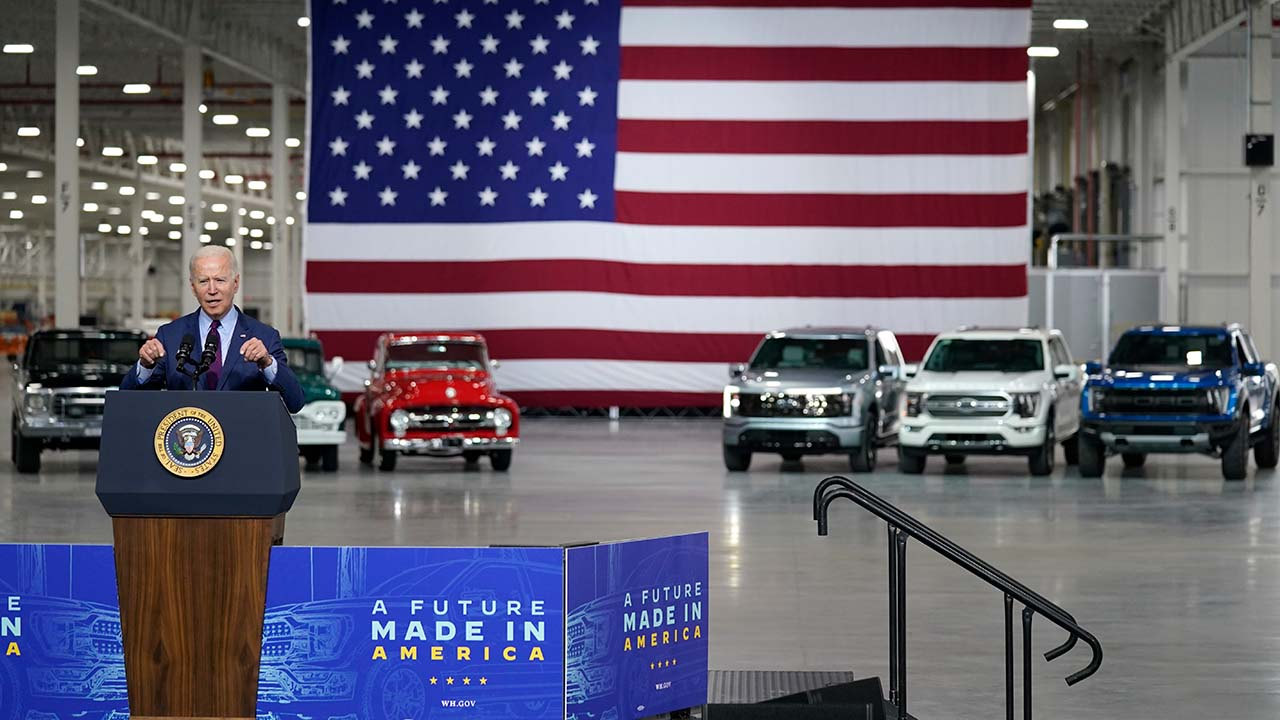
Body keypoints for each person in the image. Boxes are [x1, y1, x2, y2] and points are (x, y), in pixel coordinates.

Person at [120, 245, 305, 413]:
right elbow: (128, 403)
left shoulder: (264, 336)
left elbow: (294, 402)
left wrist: (267, 363)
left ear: (236, 283)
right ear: (193, 287)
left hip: (244, 445)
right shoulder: (170, 335)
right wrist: (144, 366)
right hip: (187, 445)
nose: (212, 289)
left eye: (220, 280)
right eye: (203, 281)